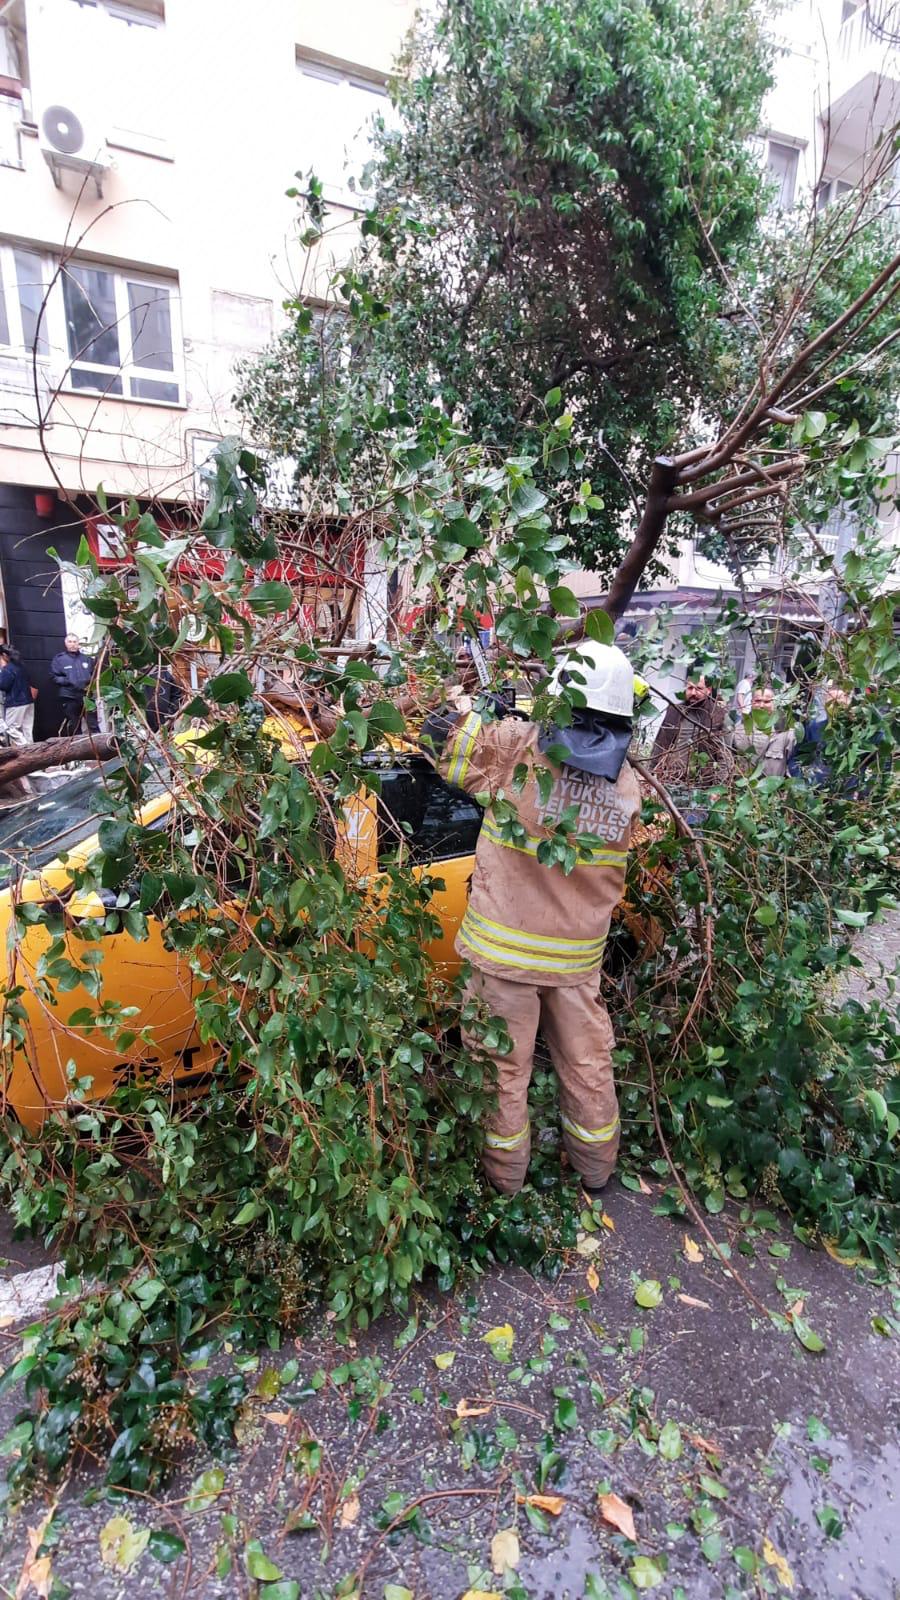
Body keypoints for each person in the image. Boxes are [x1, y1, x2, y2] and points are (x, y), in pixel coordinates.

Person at [422, 642, 641, 1200]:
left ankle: (504, 1189)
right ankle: (595, 1172)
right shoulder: (628, 785)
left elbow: (439, 738)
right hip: (576, 963)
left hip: (504, 960)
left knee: (500, 1075)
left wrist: (454, 695)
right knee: (588, 1065)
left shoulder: (519, 749)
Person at [651, 667, 731, 788]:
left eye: (699, 688)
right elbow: (659, 745)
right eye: (690, 688)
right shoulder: (674, 711)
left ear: (708, 690)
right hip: (671, 780)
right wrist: (649, 775)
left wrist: (718, 787)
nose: (693, 693)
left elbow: (725, 757)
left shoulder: (718, 715)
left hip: (702, 784)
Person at [731, 683, 799, 778]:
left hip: (771, 789)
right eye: (757, 701)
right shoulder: (739, 729)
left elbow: (794, 766)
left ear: (774, 703)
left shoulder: (786, 734)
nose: (761, 705)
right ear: (751, 702)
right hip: (741, 788)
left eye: (767, 701)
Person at [51, 635, 96, 736]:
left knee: (93, 724)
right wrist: (69, 681)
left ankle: (99, 749)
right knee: (74, 726)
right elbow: (54, 677)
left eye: (75, 642)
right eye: (70, 642)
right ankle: (78, 748)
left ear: (78, 643)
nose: (73, 644)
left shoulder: (87, 659)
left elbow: (94, 675)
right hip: (69, 696)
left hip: (87, 696)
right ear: (66, 643)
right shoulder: (59, 659)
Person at [0, 645, 37, 743]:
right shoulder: (22, 666)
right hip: (28, 701)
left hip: (15, 703)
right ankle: (33, 751)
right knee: (27, 729)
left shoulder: (7, 669)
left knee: (11, 728)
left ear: (3, 655)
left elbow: (3, 685)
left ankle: (25, 748)